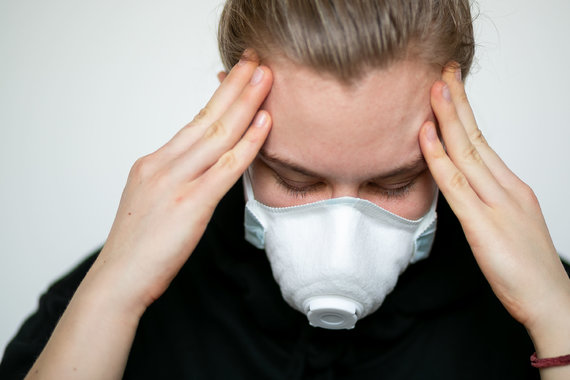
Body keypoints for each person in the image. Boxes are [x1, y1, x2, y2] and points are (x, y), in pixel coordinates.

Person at [1, 0, 569, 379]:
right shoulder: (123, 290)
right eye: (295, 180)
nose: (342, 239)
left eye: (395, 183)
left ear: (456, 127)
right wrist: (112, 295)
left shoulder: (536, 300)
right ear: (231, 116)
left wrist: (556, 314)